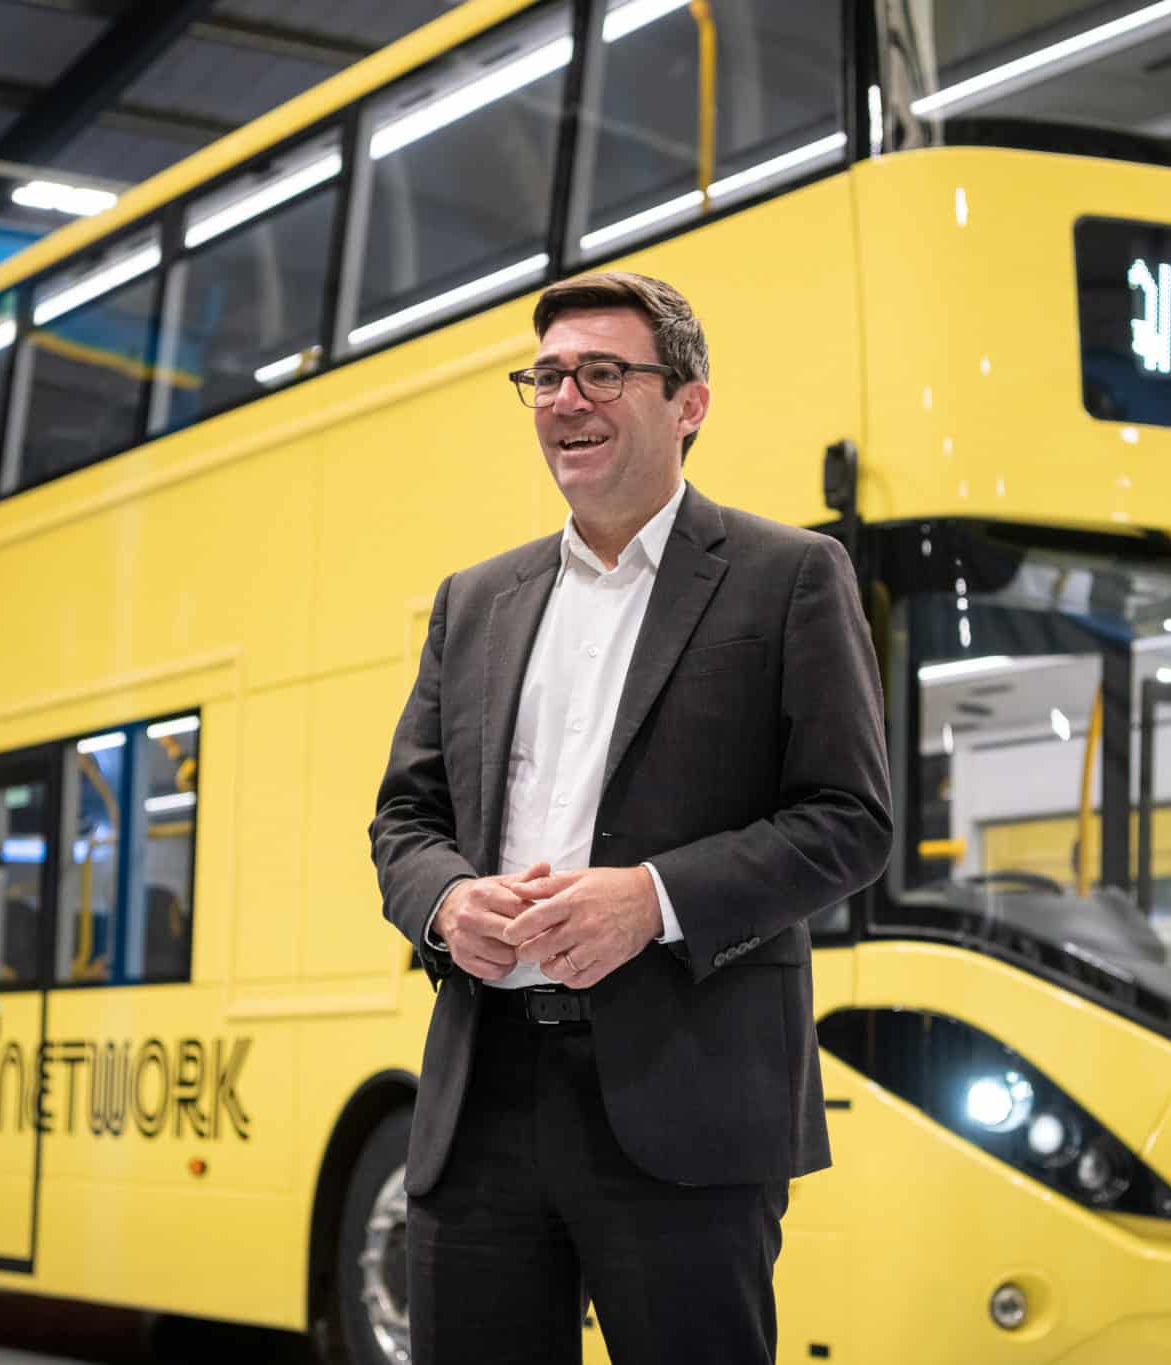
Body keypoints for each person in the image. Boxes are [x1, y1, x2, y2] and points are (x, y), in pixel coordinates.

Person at [368, 271, 893, 1365]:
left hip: (686, 1103)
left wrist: (651, 901)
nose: (566, 398)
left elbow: (849, 818)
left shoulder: (789, 576)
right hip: (481, 1099)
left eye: (602, 372)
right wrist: (447, 904)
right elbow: (406, 819)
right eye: (546, 377)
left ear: (688, 403)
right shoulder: (475, 600)